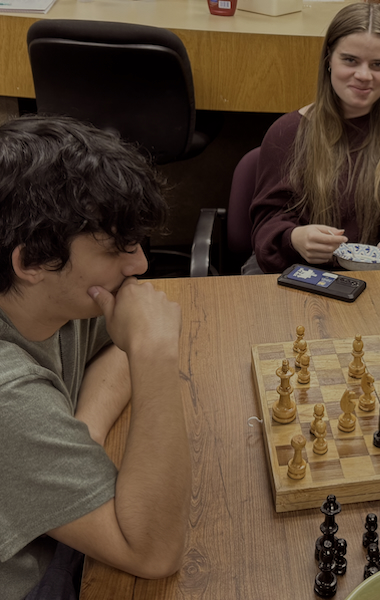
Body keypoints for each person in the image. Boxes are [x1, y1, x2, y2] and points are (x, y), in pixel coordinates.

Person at [0, 115, 191, 599]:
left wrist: (81, 430)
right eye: (116, 248)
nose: (140, 264)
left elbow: (114, 346)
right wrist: (154, 355)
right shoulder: (8, 398)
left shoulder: (53, 296)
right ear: (32, 262)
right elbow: (152, 552)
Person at [244, 3, 380, 274]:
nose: (364, 76)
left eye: (378, 65)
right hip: (302, 275)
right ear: (329, 59)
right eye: (350, 60)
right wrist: (295, 238)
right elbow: (267, 224)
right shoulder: (287, 133)